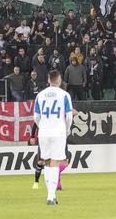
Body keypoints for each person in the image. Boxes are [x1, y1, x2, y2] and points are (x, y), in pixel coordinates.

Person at [34, 70, 74, 204]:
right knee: (56, 163)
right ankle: (51, 196)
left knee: (46, 162)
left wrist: (43, 126)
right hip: (58, 132)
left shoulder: (40, 95)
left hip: (44, 132)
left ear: (48, 80)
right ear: (59, 80)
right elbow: (69, 116)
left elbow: (36, 117)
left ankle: (51, 196)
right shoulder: (64, 95)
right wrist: (67, 129)